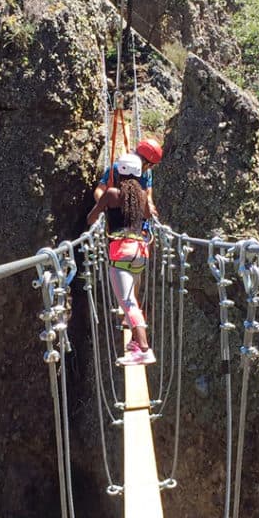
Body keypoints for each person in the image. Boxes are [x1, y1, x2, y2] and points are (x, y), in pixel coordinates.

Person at [87, 152, 156, 366]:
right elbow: (147, 216)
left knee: (127, 303)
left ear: (119, 173)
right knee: (132, 300)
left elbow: (91, 218)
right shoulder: (143, 196)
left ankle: (144, 349)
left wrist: (104, 212)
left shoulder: (112, 194)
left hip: (121, 253)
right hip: (141, 252)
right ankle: (135, 343)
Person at [93, 134, 163, 222]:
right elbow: (99, 191)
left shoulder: (146, 173)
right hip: (115, 213)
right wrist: (104, 205)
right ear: (145, 162)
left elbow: (148, 195)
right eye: (150, 166)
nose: (150, 168)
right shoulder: (117, 168)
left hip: (135, 215)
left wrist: (150, 207)